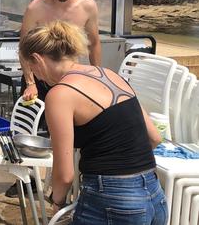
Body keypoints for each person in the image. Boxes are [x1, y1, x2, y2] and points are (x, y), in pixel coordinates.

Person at [20, 21, 165, 224]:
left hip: (112, 200)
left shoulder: (60, 94)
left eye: (31, 68)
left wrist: (57, 201)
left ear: (37, 60)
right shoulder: (110, 74)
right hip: (154, 194)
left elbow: (64, 175)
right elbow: (154, 138)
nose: (36, 76)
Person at [19, 0, 101, 103]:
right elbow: (23, 47)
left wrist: (98, 77)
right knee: (33, 124)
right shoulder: (35, 8)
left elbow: (93, 44)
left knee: (72, 123)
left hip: (70, 78)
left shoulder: (88, 6)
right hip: (39, 79)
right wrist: (30, 83)